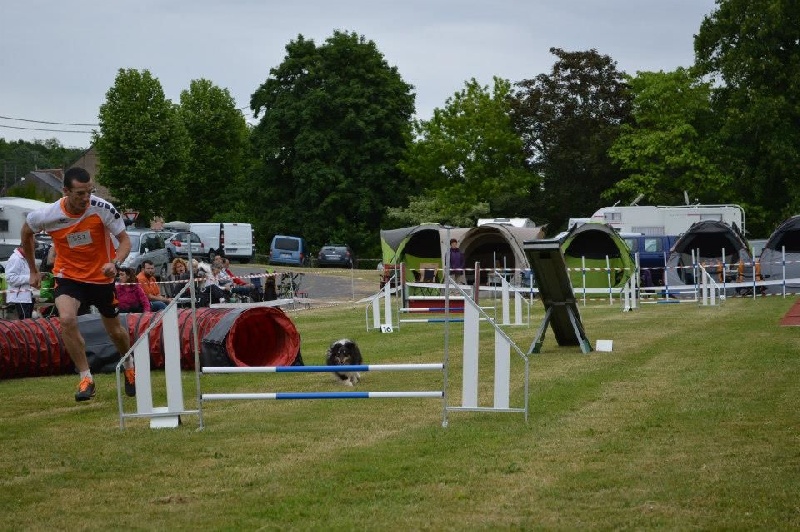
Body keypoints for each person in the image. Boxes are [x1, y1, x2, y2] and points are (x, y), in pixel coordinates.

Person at [20, 166, 135, 401]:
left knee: (114, 331)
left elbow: (124, 241)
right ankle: (86, 378)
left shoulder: (101, 208)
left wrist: (116, 262)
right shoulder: (46, 215)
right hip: (68, 276)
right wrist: (33, 270)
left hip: (101, 276)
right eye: (80, 194)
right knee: (66, 319)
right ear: (65, 191)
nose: (86, 198)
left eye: (89, 192)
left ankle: (129, 366)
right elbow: (26, 234)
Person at [4, 246, 34, 319]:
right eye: (31, 250)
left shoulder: (23, 258)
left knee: (28, 321)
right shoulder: (15, 259)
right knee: (24, 322)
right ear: (23, 247)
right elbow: (10, 279)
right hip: (19, 297)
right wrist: (30, 278)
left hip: (26, 295)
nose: (32, 253)